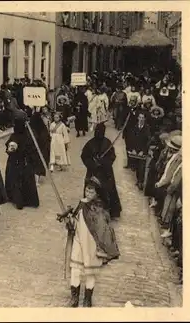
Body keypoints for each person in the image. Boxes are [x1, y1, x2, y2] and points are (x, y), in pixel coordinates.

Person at [65, 177, 120, 307]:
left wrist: (102, 247)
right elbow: (76, 220)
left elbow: (103, 228)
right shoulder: (81, 203)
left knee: (91, 272)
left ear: (97, 193)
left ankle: (88, 299)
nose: (88, 193)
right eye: (87, 190)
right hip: (79, 241)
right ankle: (74, 298)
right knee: (75, 269)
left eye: (91, 191)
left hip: (92, 244)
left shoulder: (99, 208)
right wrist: (70, 221)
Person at [81, 123, 122, 219]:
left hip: (106, 172)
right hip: (93, 172)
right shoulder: (90, 143)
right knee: (91, 189)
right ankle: (89, 210)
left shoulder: (107, 143)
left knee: (109, 190)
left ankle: (111, 211)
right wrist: (93, 164)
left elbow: (112, 156)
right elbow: (84, 156)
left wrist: (103, 162)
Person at [5, 117, 39, 209]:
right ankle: (23, 200)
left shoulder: (18, 135)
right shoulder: (27, 134)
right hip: (24, 162)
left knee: (17, 181)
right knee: (23, 181)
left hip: (19, 162)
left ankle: (19, 201)